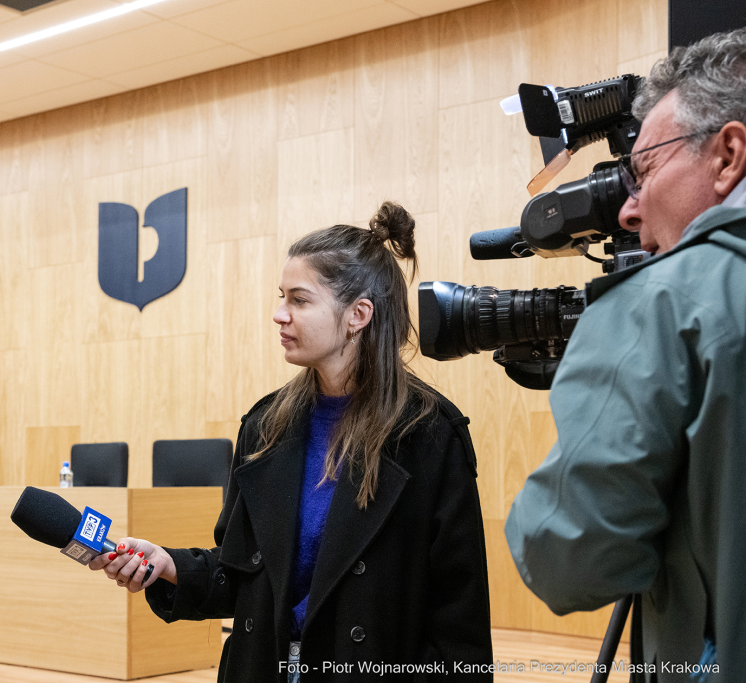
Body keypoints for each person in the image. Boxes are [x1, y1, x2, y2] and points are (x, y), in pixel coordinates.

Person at [91, 202, 493, 681]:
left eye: (299, 300)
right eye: (282, 297)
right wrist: (170, 565)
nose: (279, 315)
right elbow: (241, 577)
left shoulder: (429, 432)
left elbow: (459, 624)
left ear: (357, 314)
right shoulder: (264, 425)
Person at [505, 28, 746, 681]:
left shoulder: (664, 303)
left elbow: (569, 557)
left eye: (641, 172)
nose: (629, 213)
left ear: (728, 154)